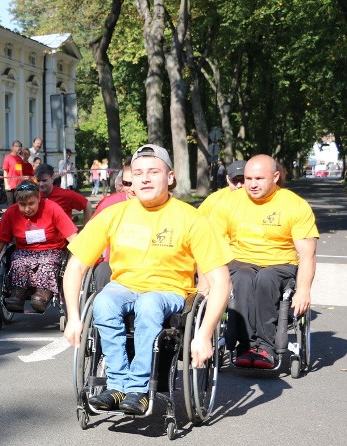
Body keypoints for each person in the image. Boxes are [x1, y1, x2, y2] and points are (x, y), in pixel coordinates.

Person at [61, 144, 231, 415]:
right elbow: (75, 267)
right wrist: (74, 317)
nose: (146, 178)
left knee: (149, 304)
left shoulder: (191, 218)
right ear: (131, 179)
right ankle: (116, 386)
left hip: (169, 290)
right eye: (139, 173)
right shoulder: (114, 214)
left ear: (170, 177)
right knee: (103, 301)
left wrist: (204, 334)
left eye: (154, 172)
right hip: (124, 287)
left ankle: (139, 390)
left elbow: (221, 280)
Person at [210, 154, 318, 369]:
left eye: (259, 178)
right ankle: (247, 346)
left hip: (280, 264)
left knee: (266, 278)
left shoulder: (294, 204)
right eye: (248, 179)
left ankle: (264, 347)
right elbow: (213, 243)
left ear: (275, 177)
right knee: (243, 277)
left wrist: (304, 290)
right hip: (240, 261)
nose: (252, 184)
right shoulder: (229, 202)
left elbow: (307, 253)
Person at [0, 182, 78, 314]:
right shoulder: (11, 213)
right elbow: (0, 241)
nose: (27, 209)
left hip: (51, 250)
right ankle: (17, 292)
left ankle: (43, 292)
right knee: (18, 262)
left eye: (31, 203)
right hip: (23, 251)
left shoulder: (52, 208)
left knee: (46, 262)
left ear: (39, 198)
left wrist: (83, 259)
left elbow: (72, 236)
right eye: (22, 205)